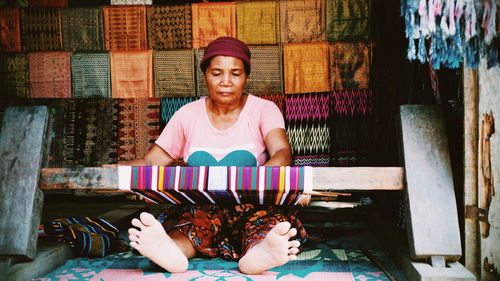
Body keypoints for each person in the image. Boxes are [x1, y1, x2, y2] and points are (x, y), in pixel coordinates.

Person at [121, 37, 307, 274]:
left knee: (265, 224)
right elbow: (150, 161)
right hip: (204, 205)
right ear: (205, 75)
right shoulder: (187, 114)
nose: (226, 82)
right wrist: (117, 170)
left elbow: (282, 152)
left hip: (251, 204)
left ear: (246, 76)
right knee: (192, 224)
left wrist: (253, 183)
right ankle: (171, 251)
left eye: (235, 74)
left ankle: (260, 253)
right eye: (217, 73)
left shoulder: (263, 109)